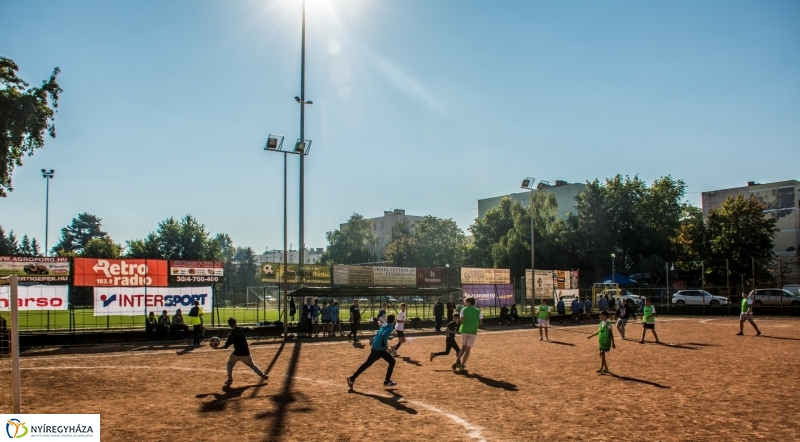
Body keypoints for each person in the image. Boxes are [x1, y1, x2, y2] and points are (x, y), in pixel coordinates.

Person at [347, 314, 397, 389]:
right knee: (392, 362)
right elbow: (383, 336)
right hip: (380, 349)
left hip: (375, 347)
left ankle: (352, 378)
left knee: (367, 364)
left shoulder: (384, 324)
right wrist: (386, 348)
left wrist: (378, 339)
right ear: (393, 321)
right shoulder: (390, 327)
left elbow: (379, 334)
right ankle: (387, 381)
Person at [221, 317, 269, 386]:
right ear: (236, 323)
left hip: (237, 353)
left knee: (229, 364)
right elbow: (247, 328)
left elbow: (225, 346)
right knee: (252, 365)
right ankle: (262, 374)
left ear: (230, 325)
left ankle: (230, 379)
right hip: (246, 353)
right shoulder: (241, 329)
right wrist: (251, 328)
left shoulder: (231, 334)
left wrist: (216, 348)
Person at [453, 297, 482, 373]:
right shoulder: (478, 311)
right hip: (472, 331)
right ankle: (462, 365)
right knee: (467, 350)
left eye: (466, 302)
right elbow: (481, 323)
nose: (465, 303)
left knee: (462, 348)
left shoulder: (464, 310)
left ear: (469, 302)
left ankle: (456, 361)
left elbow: (462, 321)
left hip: (464, 330)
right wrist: (474, 324)